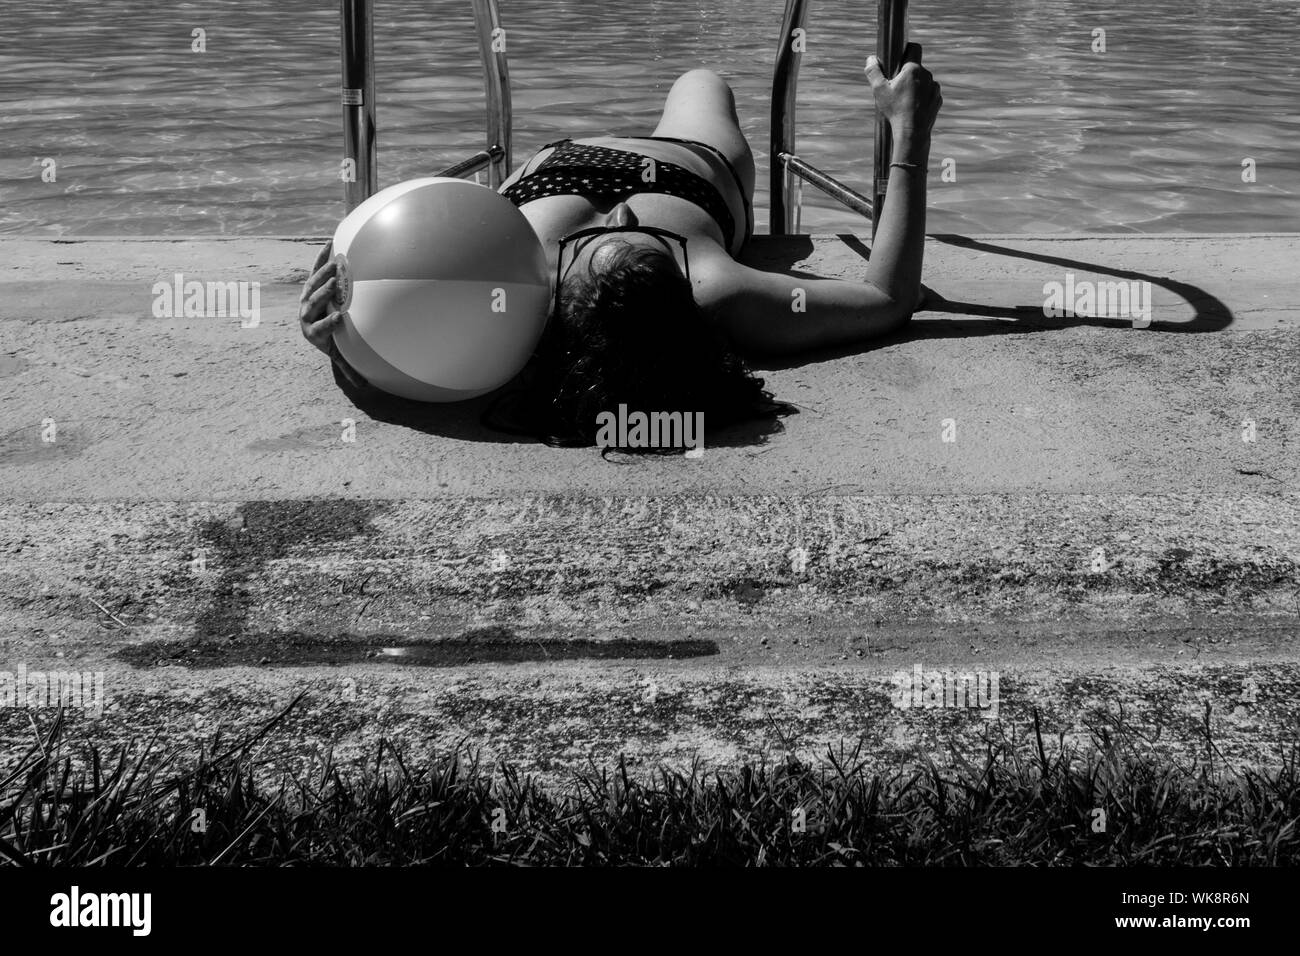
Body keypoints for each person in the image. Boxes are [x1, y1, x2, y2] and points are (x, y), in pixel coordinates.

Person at [299, 48, 941, 446]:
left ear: (562, 310)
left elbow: (396, 355)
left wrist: (339, 340)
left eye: (592, 244)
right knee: (702, 78)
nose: (624, 210)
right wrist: (909, 133)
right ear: (686, 291)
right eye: (645, 243)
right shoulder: (720, 289)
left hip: (558, 162)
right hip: (692, 163)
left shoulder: (514, 316)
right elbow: (887, 297)